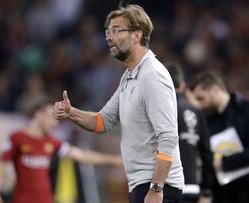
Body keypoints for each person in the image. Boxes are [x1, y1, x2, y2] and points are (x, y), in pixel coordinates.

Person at [53, 4, 184, 203]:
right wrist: (70, 112)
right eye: (108, 31)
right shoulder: (130, 76)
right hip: (142, 185)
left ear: (137, 35)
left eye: (116, 30)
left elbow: (168, 136)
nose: (108, 37)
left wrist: (156, 189)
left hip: (159, 187)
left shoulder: (153, 76)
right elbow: (102, 122)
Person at [0, 97, 122, 203]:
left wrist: (114, 160)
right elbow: (0, 163)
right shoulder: (17, 138)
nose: (55, 123)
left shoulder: (52, 142)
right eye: (51, 117)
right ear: (38, 115)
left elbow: (81, 155)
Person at [190, 71, 249, 203]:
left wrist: (223, 163)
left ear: (214, 90)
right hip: (225, 195)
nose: (198, 105)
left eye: (200, 98)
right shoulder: (207, 122)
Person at [166, 64, 214, 203]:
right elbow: (207, 153)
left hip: (166, 188)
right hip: (192, 189)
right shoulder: (197, 112)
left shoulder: (161, 110)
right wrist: (207, 190)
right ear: (182, 86)